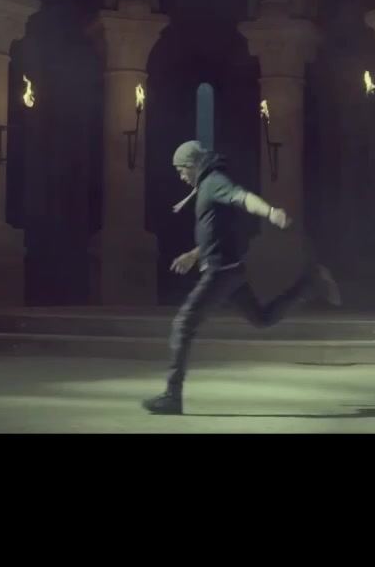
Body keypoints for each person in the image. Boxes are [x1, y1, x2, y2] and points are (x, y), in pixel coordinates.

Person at [142, 140, 341, 416]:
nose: (181, 176)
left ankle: (172, 396)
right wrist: (194, 254)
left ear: (192, 164)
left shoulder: (214, 182)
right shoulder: (207, 185)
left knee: (183, 324)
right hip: (230, 270)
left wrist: (270, 212)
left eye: (181, 169)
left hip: (220, 272)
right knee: (262, 319)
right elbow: (217, 232)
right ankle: (309, 285)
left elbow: (243, 197)